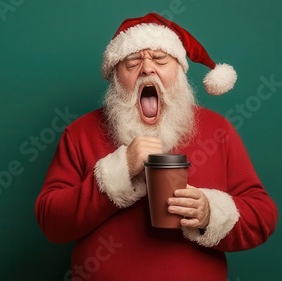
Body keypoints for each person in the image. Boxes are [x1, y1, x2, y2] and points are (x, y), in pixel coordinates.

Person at [34, 13, 277, 280]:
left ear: (180, 70)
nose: (148, 68)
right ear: (115, 76)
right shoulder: (80, 132)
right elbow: (51, 223)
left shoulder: (218, 130)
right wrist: (120, 170)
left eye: (160, 59)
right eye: (132, 61)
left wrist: (211, 212)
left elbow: (263, 217)